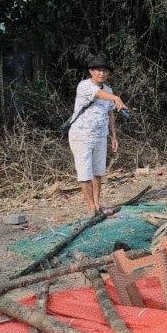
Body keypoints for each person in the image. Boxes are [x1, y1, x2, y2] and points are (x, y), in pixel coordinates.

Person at [67, 54, 127, 216]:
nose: (101, 73)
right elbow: (98, 95)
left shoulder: (108, 90)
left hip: (100, 135)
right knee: (84, 171)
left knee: (98, 171)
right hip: (81, 135)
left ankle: (97, 204)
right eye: (98, 70)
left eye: (105, 71)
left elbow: (110, 114)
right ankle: (90, 208)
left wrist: (113, 136)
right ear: (91, 72)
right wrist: (116, 98)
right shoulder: (84, 86)